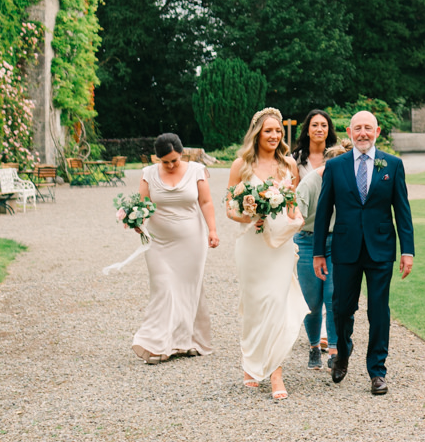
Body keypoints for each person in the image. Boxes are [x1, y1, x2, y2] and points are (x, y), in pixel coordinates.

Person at [311, 110, 414, 395]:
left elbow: (402, 211)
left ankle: (377, 372)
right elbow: (323, 212)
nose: (363, 133)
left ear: (377, 131)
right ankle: (342, 353)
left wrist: (408, 251)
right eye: (358, 128)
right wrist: (319, 251)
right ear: (349, 131)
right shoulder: (336, 166)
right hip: (345, 248)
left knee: (379, 311)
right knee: (342, 308)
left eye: (368, 128)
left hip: (381, 249)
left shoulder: (392, 165)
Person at [225, 107, 303, 400]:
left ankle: (276, 372)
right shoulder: (240, 166)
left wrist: (295, 221)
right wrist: (249, 216)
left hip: (280, 245)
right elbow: (230, 209)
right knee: (255, 305)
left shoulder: (288, 165)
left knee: (276, 303)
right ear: (257, 133)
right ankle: (251, 362)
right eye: (269, 130)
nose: (274, 136)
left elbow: (293, 206)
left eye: (278, 131)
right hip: (252, 245)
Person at [130, 132, 219, 364]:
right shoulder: (148, 174)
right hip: (158, 242)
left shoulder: (197, 171)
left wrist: (212, 230)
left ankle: (187, 341)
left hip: (192, 240)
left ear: (181, 154)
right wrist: (136, 221)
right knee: (163, 287)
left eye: (174, 160)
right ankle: (157, 344)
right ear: (157, 158)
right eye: (165, 161)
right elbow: (143, 205)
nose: (170, 165)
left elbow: (206, 201)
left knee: (189, 289)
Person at [292, 108, 346, 368]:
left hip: (336, 239)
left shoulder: (339, 157)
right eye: (314, 125)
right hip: (307, 235)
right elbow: (293, 205)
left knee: (334, 296)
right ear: (307, 128)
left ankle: (334, 351)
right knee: (311, 301)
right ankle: (314, 345)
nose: (319, 129)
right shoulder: (299, 164)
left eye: (324, 125)